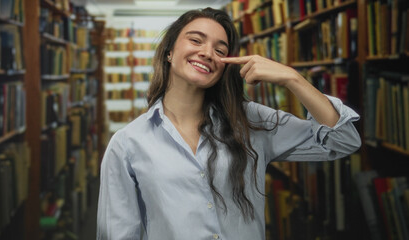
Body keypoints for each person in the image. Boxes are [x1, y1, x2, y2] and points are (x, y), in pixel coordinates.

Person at [97, 7, 361, 240]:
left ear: (226, 65)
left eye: (220, 50)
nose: (207, 53)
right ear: (169, 52)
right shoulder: (128, 143)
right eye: (196, 40)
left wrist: (293, 79)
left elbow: (343, 140)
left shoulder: (250, 121)